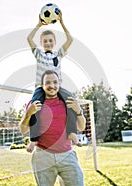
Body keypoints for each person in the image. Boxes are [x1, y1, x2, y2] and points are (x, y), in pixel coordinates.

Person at [19, 70, 87, 186]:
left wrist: (79, 111)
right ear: (42, 85)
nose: (52, 85)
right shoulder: (34, 103)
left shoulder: (67, 102)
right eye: (48, 82)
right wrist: (28, 113)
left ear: (59, 83)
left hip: (67, 154)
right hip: (43, 156)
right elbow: (23, 129)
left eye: (55, 82)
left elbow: (81, 127)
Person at [27, 11, 81, 152]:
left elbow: (70, 40)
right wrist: (39, 24)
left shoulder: (58, 54)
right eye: (45, 41)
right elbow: (29, 38)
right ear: (42, 43)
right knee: (34, 107)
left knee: (71, 102)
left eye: (51, 40)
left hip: (56, 88)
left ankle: (72, 133)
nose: (48, 43)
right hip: (41, 87)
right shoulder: (39, 55)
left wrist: (61, 22)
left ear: (54, 42)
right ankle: (34, 140)